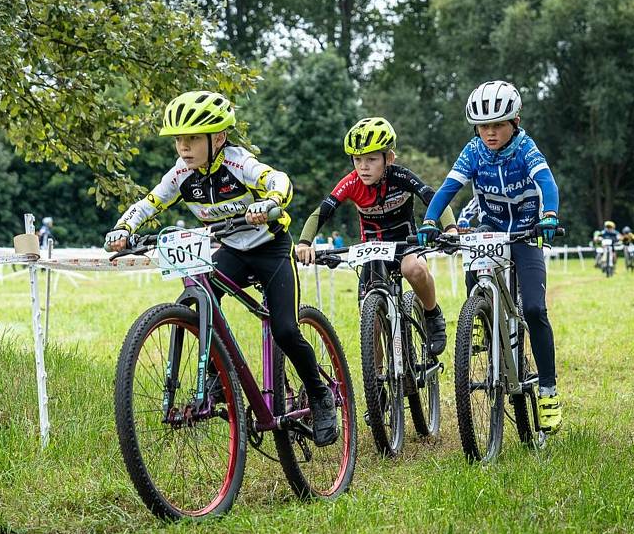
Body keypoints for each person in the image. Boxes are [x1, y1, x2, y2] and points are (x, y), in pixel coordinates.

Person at [104, 90, 338, 447]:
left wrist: (271, 201)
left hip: (270, 249)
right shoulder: (181, 174)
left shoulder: (238, 163)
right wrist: (124, 229)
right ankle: (217, 379)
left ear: (219, 138)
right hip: (230, 250)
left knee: (286, 330)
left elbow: (279, 180)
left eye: (193, 138)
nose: (184, 146)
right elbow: (149, 203)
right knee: (200, 302)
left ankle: (320, 396)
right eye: (179, 139)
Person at [417, 80, 563, 434]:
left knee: (534, 309)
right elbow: (448, 189)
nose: (490, 133)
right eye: (483, 126)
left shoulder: (526, 148)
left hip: (526, 233)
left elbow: (547, 184)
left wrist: (550, 216)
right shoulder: (473, 151)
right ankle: (482, 317)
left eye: (498, 125)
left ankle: (547, 390)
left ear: (514, 122)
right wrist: (429, 220)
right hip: (491, 230)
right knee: (475, 278)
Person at [295, 116, 457, 355]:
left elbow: (436, 200)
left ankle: (432, 314)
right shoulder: (350, 183)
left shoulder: (401, 176)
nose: (363, 167)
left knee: (414, 269)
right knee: (370, 320)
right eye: (358, 160)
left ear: (388, 158)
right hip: (373, 248)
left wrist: (450, 229)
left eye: (371, 159)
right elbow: (322, 213)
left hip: (406, 243)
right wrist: (304, 243)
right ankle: (378, 381)